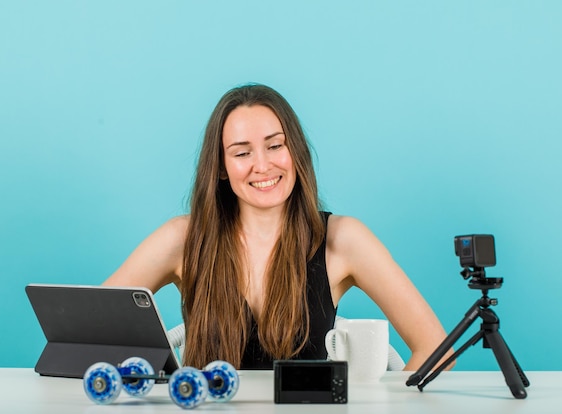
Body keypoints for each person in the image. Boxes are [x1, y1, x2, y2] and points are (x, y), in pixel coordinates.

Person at [104, 83, 450, 371]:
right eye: (242, 153)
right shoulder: (182, 239)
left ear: (295, 151)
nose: (263, 165)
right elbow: (85, 333)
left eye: (275, 146)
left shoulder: (344, 239)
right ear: (221, 168)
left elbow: (437, 350)